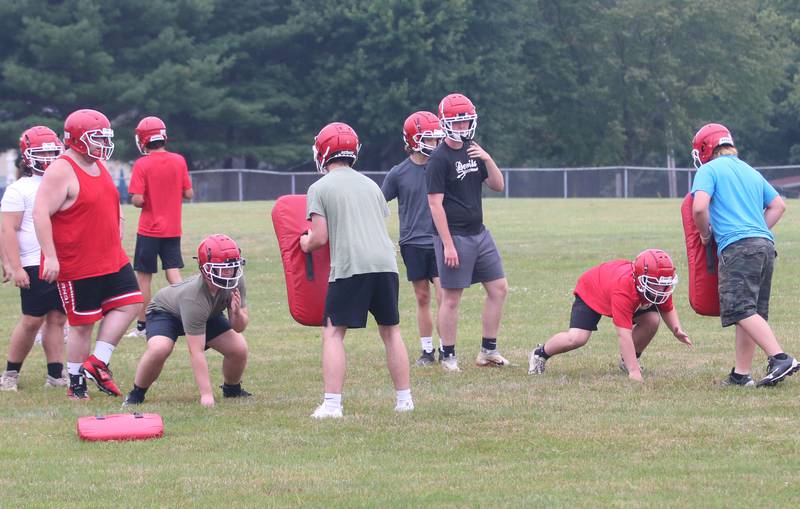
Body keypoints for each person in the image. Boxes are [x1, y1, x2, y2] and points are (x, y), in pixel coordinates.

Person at [300, 122, 412, 419]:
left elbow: (320, 237)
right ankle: (404, 400)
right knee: (391, 331)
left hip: (352, 265)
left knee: (334, 332)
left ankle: (333, 404)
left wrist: (304, 243)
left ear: (323, 151)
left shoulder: (319, 187)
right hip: (386, 263)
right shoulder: (371, 185)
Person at [33, 109, 143, 399]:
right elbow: (40, 212)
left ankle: (97, 363)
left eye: (105, 138)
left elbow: (106, 200)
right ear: (78, 139)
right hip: (77, 262)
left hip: (110, 256)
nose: (102, 144)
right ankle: (76, 384)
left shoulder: (97, 163)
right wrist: (51, 256)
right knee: (83, 325)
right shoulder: (61, 168)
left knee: (132, 303)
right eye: (97, 138)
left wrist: (118, 222)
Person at [690, 123, 798, 387]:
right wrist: (757, 228)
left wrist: (705, 235)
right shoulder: (750, 170)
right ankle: (741, 375)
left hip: (738, 248)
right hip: (765, 245)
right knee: (751, 312)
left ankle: (780, 358)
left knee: (739, 308)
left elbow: (699, 208)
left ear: (705, 149)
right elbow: (778, 205)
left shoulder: (708, 170)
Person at [426, 93, 509, 372]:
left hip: (479, 232)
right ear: (446, 123)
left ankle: (488, 350)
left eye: (466, 123)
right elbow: (435, 204)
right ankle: (448, 354)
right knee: (451, 297)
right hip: (455, 235)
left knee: (499, 289)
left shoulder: (474, 148)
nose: (462, 128)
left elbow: (498, 185)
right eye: (457, 124)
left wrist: (488, 157)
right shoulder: (439, 158)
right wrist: (447, 244)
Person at [123, 234, 251, 407]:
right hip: (166, 313)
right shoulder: (194, 298)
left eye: (231, 267)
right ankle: (137, 393)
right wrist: (206, 395)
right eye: (221, 268)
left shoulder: (236, 281)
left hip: (207, 314)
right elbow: (196, 351)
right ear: (205, 269)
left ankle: (232, 389)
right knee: (160, 349)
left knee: (239, 348)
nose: (228, 272)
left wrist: (236, 314)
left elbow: (239, 327)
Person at [529, 249, 692, 381]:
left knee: (652, 320)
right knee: (577, 338)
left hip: (614, 285)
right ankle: (539, 354)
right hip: (592, 289)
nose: (660, 290)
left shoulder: (655, 284)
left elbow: (666, 308)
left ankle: (627, 361)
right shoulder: (624, 290)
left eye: (663, 285)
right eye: (655, 284)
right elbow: (624, 335)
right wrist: (634, 372)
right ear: (640, 279)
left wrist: (676, 329)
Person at [0, 126, 68, 391]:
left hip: (62, 261)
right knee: (31, 320)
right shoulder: (20, 188)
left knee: (58, 319)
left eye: (53, 151)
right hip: (33, 261)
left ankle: (55, 374)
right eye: (43, 152)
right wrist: (14, 266)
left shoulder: (64, 180)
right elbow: (7, 230)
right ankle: (10, 374)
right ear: (28, 156)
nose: (50, 157)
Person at [382, 111, 445, 366]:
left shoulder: (441, 166)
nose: (435, 144)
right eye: (429, 139)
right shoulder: (398, 173)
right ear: (414, 139)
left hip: (440, 241)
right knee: (422, 298)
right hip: (412, 243)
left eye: (436, 139)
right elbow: (378, 202)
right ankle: (427, 350)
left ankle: (446, 348)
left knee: (444, 296)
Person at [125, 116, 193, 338]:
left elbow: (137, 199)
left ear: (143, 139)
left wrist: (146, 199)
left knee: (144, 277)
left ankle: (143, 326)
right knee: (173, 274)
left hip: (149, 230)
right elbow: (189, 193)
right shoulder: (179, 160)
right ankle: (189, 316)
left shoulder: (142, 164)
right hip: (173, 229)